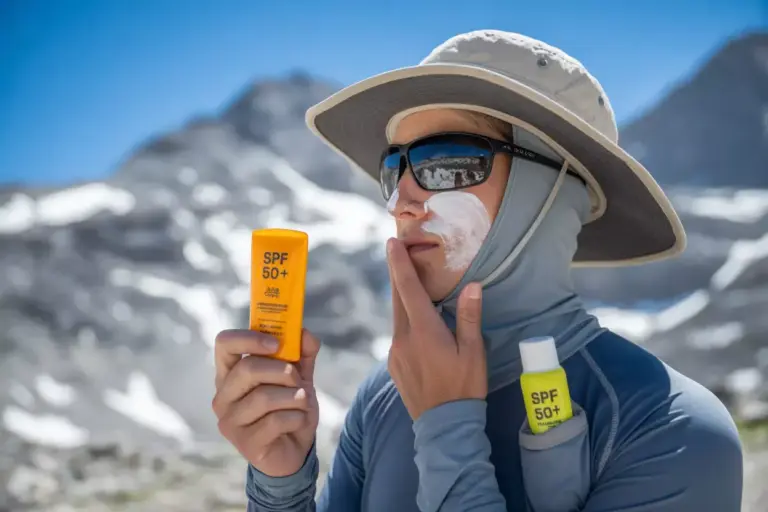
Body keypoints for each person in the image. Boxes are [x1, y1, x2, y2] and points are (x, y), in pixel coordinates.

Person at [212, 30, 744, 511]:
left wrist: (446, 427)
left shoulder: (674, 427)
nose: (402, 202)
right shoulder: (384, 394)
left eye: (446, 164)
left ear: (552, 192)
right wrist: (281, 484)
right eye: (393, 170)